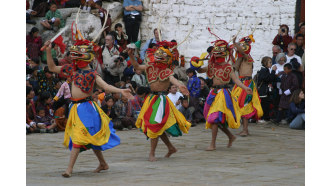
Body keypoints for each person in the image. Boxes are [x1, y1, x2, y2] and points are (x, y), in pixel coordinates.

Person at [42, 21, 133, 177]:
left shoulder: (92, 74)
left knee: (79, 137)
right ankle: (103, 164)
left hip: (87, 108)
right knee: (89, 138)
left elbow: (105, 86)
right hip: (75, 108)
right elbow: (51, 68)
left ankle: (69, 170)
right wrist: (49, 51)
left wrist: (120, 90)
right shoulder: (72, 69)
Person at [130, 40, 191, 162]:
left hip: (161, 100)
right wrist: (131, 55)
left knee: (154, 125)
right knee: (157, 126)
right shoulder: (150, 67)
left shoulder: (168, 72)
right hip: (151, 99)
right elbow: (136, 67)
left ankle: (152, 153)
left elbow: (173, 80)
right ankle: (170, 147)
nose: (159, 56)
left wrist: (181, 86)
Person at [193, 33, 252, 150]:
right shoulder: (212, 65)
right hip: (213, 93)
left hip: (223, 94)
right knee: (213, 118)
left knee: (214, 118)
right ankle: (230, 136)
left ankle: (212, 144)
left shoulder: (228, 67)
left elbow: (236, 80)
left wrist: (245, 88)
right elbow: (200, 70)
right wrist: (195, 63)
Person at [231, 35, 263, 136]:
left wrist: (235, 42)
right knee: (238, 104)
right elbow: (234, 67)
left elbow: (242, 52)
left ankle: (245, 130)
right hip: (240, 84)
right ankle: (245, 129)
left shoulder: (247, 57)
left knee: (245, 105)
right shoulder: (241, 58)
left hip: (247, 84)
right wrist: (231, 54)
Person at [255, 57, 277, 122]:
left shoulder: (265, 70)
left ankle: (266, 117)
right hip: (262, 91)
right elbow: (269, 79)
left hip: (264, 91)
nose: (271, 64)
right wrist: (273, 71)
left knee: (266, 104)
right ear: (265, 63)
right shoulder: (264, 70)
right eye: (270, 62)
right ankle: (262, 118)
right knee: (264, 104)